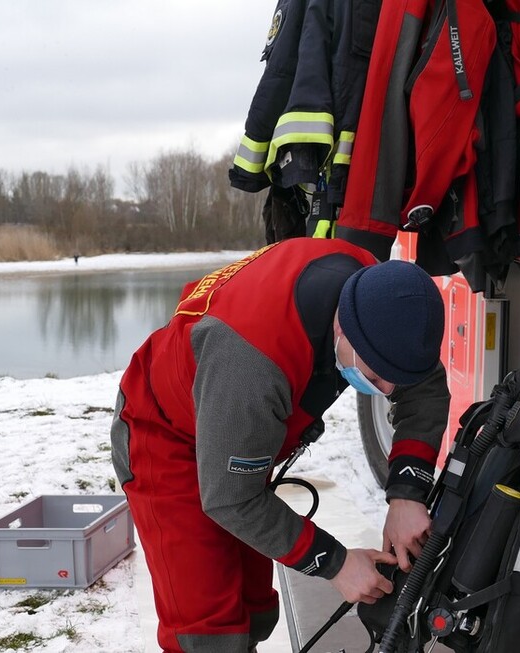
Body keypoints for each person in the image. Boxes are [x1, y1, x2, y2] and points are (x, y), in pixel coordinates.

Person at [110, 237, 449, 653]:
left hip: (234, 425)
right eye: (375, 379)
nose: (387, 389)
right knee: (207, 629)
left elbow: (423, 386)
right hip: (166, 437)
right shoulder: (251, 358)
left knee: (254, 604)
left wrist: (406, 495)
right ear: (343, 327)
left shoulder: (380, 295)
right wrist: (335, 562)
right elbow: (232, 500)